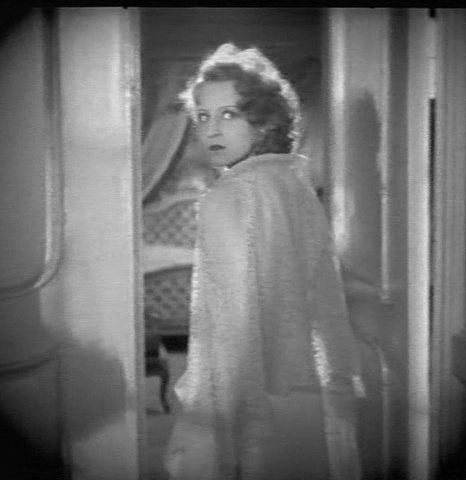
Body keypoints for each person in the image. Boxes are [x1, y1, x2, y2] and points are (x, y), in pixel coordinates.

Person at [164, 43, 364, 480]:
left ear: (264, 120)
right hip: (303, 382)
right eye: (203, 116)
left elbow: (231, 324)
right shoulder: (294, 184)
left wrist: (220, 411)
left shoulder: (227, 197)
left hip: (251, 390)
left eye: (229, 114)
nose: (212, 129)